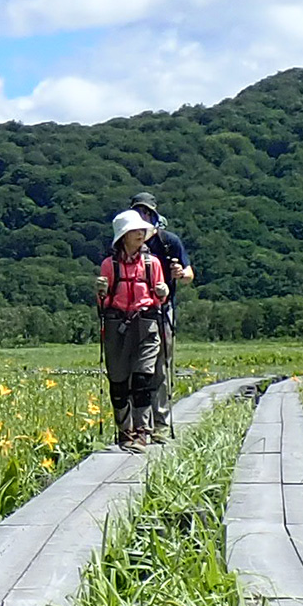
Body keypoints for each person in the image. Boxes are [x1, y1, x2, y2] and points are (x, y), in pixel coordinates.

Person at [99, 211, 171, 451]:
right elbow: (103, 302)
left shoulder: (153, 264)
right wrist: (100, 292)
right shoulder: (109, 266)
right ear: (124, 237)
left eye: (142, 231)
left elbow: (160, 298)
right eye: (135, 231)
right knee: (118, 381)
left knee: (143, 377)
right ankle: (124, 431)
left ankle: (143, 431)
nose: (141, 234)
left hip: (147, 322)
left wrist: (162, 293)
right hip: (117, 325)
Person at [126, 192, 194, 439]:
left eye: (147, 212)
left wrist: (179, 274)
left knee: (161, 367)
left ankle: (160, 423)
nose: (143, 217)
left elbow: (189, 275)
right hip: (132, 312)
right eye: (139, 212)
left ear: (154, 215)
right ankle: (140, 423)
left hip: (163, 310)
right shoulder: (126, 242)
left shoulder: (169, 242)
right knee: (136, 367)